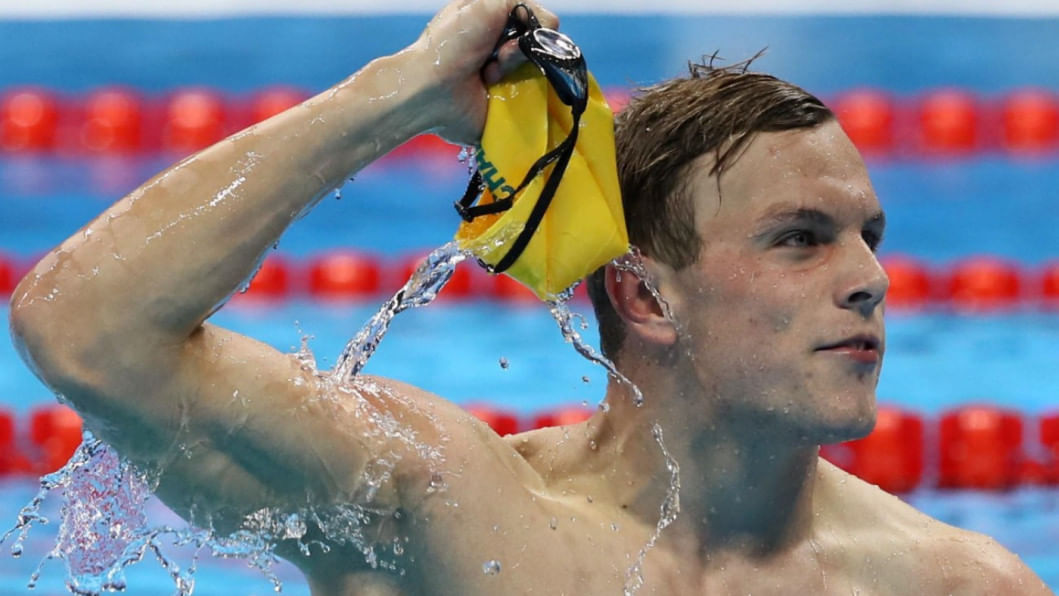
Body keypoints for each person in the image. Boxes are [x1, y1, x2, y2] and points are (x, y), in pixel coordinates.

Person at [8, 0, 1050, 593]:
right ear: (645, 298)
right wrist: (398, 94)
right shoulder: (450, 511)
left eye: (868, 237)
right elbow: (84, 328)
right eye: (799, 241)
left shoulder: (956, 585)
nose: (869, 279)